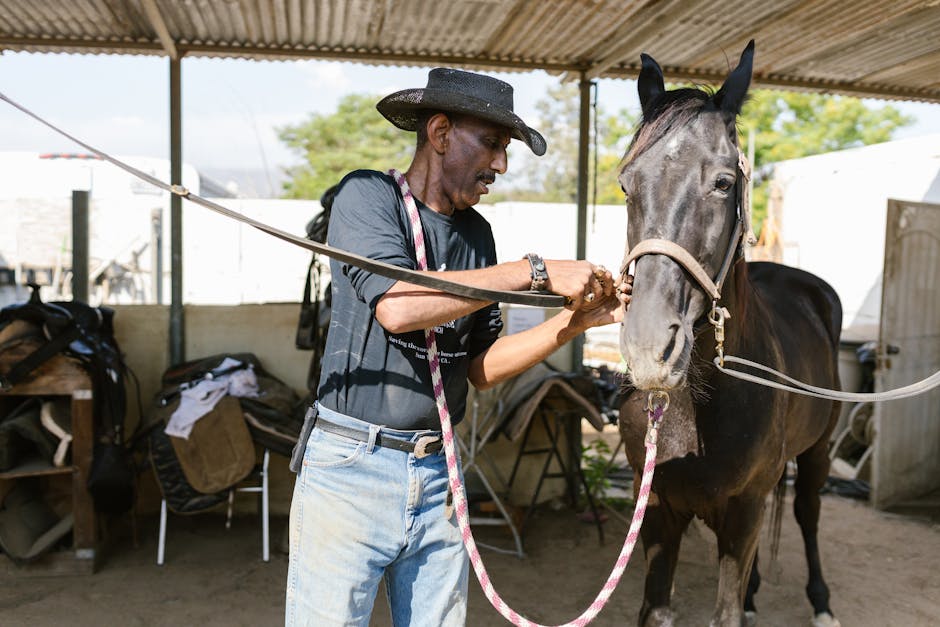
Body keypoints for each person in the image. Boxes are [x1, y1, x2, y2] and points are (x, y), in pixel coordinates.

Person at [285, 67, 631, 627]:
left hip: (437, 470)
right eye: (492, 144)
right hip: (351, 467)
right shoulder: (368, 196)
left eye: (505, 149)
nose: (501, 165)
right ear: (440, 134)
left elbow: (480, 370)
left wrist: (573, 326)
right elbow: (398, 308)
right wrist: (532, 271)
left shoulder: (476, 237)